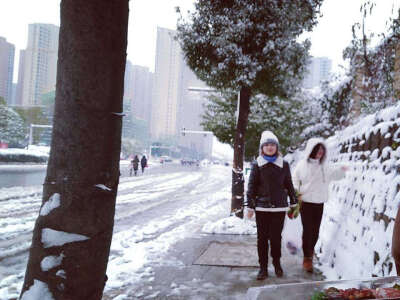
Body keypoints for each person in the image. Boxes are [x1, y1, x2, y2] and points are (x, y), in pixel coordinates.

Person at [246, 130, 298, 280]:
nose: (269, 147)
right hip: (262, 207)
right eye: (266, 145)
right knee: (262, 238)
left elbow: (289, 184)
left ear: (276, 147)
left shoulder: (284, 164)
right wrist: (250, 206)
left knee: (276, 238)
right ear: (262, 148)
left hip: (279, 207)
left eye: (272, 145)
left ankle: (277, 264)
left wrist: (294, 202)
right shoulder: (257, 164)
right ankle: (263, 268)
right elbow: (251, 187)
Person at [292, 138, 348, 273]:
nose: (320, 153)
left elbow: (334, 176)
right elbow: (294, 180)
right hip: (305, 202)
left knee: (315, 231)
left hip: (319, 203)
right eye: (317, 150)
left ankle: (310, 254)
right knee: (307, 230)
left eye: (322, 150)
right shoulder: (302, 165)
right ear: (311, 150)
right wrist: (297, 193)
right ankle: (307, 258)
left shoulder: (324, 166)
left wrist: (342, 170)